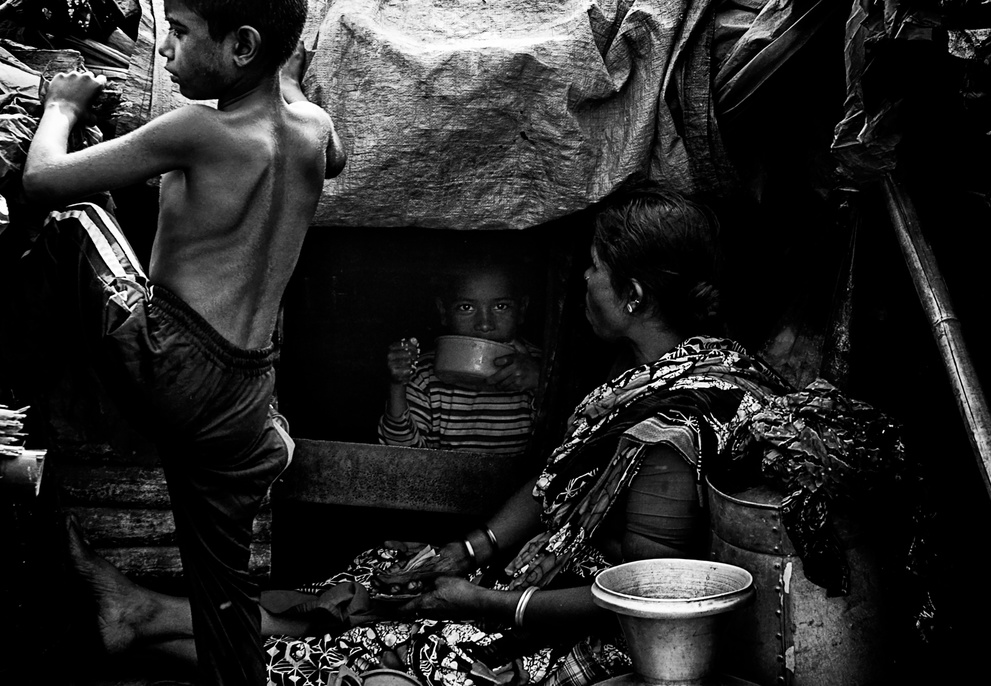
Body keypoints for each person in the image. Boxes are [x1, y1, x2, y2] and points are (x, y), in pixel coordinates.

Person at [64, 189, 792, 686]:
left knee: (369, 649)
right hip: (532, 583)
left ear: (633, 295)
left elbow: (636, 599)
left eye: (595, 270)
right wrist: (468, 550)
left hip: (568, 638)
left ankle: (141, 619)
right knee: (377, 583)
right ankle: (140, 616)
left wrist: (483, 604)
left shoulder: (672, 424)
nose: (583, 284)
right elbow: (555, 489)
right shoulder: (642, 368)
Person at [21, 1, 345, 684]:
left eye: (182, 31)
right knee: (224, 600)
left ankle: (15, 391)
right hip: (241, 395)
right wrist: (282, 82)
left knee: (76, 217)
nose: (166, 48)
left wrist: (62, 107)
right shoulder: (315, 131)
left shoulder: (196, 129)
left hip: (168, 358)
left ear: (242, 45)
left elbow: (42, 178)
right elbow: (335, 156)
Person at [377, 262, 542, 455]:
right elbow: (400, 454)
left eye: (500, 306)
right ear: (443, 312)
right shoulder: (422, 375)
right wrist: (398, 385)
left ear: (522, 309)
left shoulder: (540, 367)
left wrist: (540, 382)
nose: (485, 324)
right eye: (466, 307)